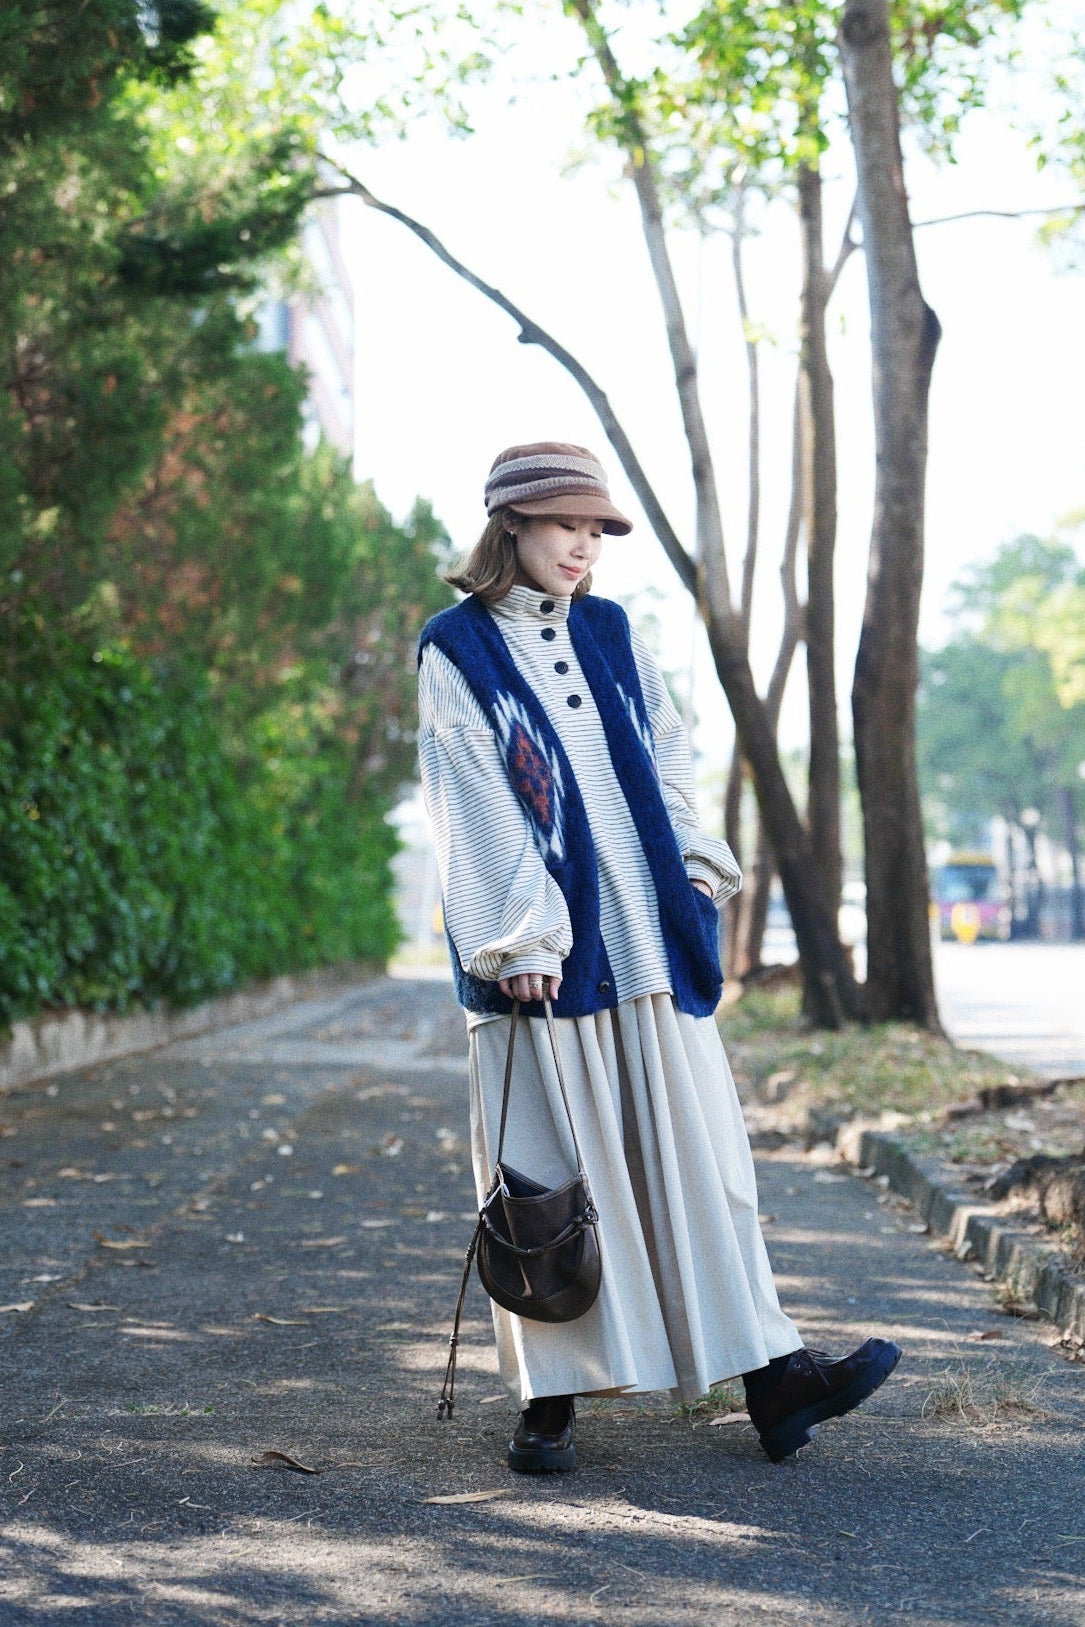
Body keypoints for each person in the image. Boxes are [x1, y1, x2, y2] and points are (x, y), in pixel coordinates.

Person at [417, 441, 901, 1474]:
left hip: (643, 935)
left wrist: (688, 865)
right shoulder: (455, 646)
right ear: (511, 523)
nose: (582, 546)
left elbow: (666, 749)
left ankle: (771, 1376)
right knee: (546, 1179)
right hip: (540, 959)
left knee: (700, 1163)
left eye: (595, 529)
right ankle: (548, 1400)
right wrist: (521, 933)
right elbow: (468, 795)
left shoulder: (609, 632)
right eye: (564, 524)